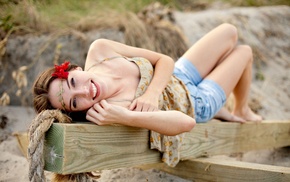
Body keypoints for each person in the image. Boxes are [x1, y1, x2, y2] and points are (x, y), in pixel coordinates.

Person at [33, 23, 262, 137]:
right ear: (77, 110)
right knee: (244, 52)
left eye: (73, 82)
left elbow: (164, 60)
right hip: (195, 102)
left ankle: (234, 108)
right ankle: (239, 110)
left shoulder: (100, 50)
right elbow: (186, 123)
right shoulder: (110, 109)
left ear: (75, 68)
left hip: (177, 75)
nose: (85, 92)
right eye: (74, 102)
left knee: (229, 31)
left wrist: (152, 93)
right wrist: (128, 116)